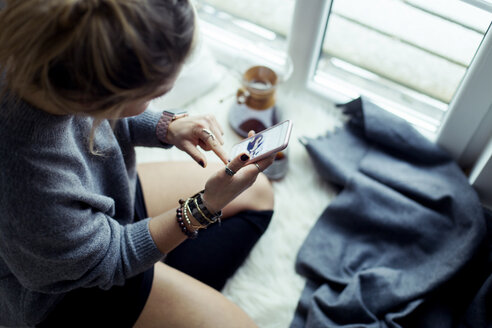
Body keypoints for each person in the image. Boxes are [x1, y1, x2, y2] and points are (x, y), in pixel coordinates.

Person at [0, 0, 275, 327]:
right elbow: (111, 259)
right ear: (95, 98)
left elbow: (102, 117)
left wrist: (166, 127)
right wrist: (205, 206)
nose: (158, 101)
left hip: (104, 205)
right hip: (70, 291)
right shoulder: (31, 182)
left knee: (258, 194)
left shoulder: (49, 53)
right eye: (154, 94)